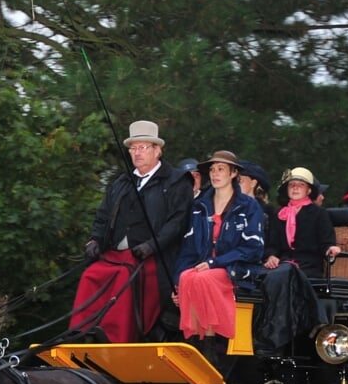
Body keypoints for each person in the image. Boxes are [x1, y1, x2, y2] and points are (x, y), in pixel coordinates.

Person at [73, 120, 194, 342]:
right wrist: (94, 241)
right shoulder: (121, 182)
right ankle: (82, 331)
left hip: (155, 257)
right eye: (133, 148)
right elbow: (103, 216)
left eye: (143, 147)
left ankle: (115, 336)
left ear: (157, 150)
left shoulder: (177, 181)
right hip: (116, 253)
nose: (136, 153)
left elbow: (177, 223)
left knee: (123, 277)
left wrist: (151, 246)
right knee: (91, 274)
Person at [172, 151, 266, 355]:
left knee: (203, 279)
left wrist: (216, 262)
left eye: (221, 169)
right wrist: (176, 282)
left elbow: (253, 249)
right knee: (187, 278)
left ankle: (212, 346)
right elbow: (188, 248)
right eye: (212, 169)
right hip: (203, 267)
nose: (215, 174)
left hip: (236, 268)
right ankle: (197, 344)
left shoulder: (249, 206)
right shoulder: (199, 206)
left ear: (233, 173)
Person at [263, 167, 339, 273]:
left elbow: (326, 243)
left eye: (301, 185)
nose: (295, 188)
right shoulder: (279, 214)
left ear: (309, 190)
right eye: (291, 184)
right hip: (282, 264)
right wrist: (271, 257)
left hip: (309, 266)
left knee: (283, 275)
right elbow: (272, 245)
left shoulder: (319, 213)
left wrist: (330, 249)